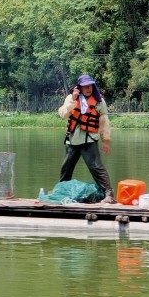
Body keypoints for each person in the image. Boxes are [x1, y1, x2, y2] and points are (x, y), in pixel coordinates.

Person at [57, 74, 114, 203]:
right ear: (79, 87)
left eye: (90, 86)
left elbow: (104, 122)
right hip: (72, 140)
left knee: (96, 167)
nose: (88, 88)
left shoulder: (99, 101)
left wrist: (105, 141)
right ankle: (61, 192)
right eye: (85, 86)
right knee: (66, 168)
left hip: (89, 140)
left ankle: (109, 194)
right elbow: (63, 114)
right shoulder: (71, 98)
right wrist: (73, 99)